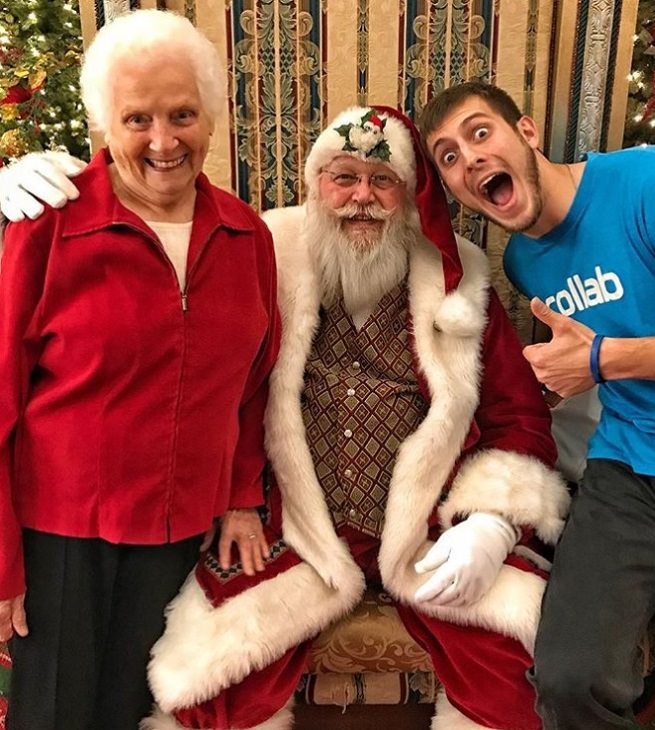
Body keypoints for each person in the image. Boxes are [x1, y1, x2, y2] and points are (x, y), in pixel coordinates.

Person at [0, 107, 570, 728]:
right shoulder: (256, 248)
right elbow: (162, 262)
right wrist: (63, 185)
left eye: (383, 180)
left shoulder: (462, 278)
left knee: (519, 685)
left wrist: (489, 523)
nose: (362, 198)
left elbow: (518, 414)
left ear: (410, 196)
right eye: (342, 177)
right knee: (211, 692)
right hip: (293, 527)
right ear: (313, 184)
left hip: (432, 530)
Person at [419, 80, 655, 730]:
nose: (469, 159)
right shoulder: (526, 262)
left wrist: (603, 360)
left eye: (480, 134)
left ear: (527, 133)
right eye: (448, 156)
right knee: (567, 680)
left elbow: (603, 354)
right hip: (630, 471)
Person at [0, 9, 279, 730]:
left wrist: (243, 495)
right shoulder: (48, 225)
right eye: (137, 118)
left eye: (182, 114)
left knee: (144, 712)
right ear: (104, 125)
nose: (163, 141)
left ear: (210, 117)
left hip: (183, 528)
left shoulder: (248, 235)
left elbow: (253, 384)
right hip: (62, 536)